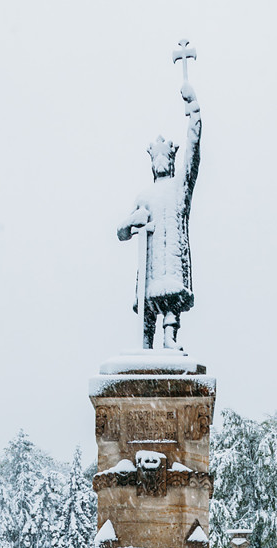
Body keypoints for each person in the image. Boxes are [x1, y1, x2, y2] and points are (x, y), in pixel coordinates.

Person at [117, 82, 201, 349]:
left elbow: (193, 152)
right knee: (148, 303)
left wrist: (195, 114)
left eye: (165, 158)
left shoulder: (180, 189)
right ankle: (146, 344)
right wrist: (131, 222)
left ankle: (170, 338)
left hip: (171, 262)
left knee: (170, 299)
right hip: (151, 263)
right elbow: (121, 232)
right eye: (157, 159)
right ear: (153, 163)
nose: (161, 162)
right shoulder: (144, 196)